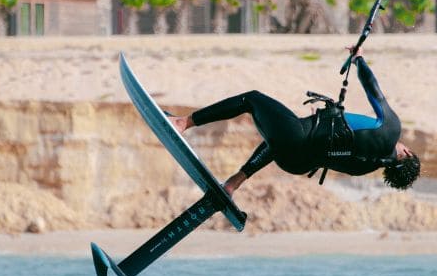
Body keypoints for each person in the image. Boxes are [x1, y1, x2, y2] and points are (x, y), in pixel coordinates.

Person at [169, 46, 420, 195]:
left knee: (251, 99)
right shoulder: (365, 168)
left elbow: (373, 89)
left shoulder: (391, 129)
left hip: (298, 138)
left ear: (407, 152)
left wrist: (359, 60)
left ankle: (184, 123)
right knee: (278, 139)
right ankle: (234, 183)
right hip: (295, 163)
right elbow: (328, 149)